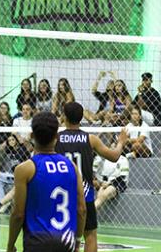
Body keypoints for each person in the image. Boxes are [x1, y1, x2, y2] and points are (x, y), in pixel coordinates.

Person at [6, 112, 87, 252]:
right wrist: (78, 241)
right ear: (57, 136)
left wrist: (10, 245)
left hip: (37, 242)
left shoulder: (24, 169)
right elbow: (82, 209)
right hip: (66, 242)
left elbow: (18, 213)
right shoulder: (71, 166)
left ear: (32, 136)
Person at [55, 102, 128, 252]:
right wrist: (121, 142)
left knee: (58, 235)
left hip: (61, 193)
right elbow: (114, 156)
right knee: (90, 235)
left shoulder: (56, 138)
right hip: (85, 194)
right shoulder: (90, 139)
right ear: (82, 117)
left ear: (64, 117)